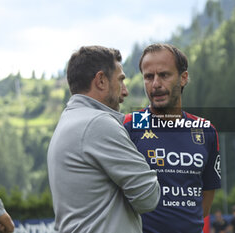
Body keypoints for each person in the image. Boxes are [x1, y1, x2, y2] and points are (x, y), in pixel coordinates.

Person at [47, 45, 161, 233]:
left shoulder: (69, 120)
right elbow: (148, 197)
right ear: (101, 80)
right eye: (120, 80)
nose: (125, 91)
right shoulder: (98, 124)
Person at [124, 43, 221, 233]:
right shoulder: (129, 126)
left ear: (183, 78)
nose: (156, 84)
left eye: (164, 75)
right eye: (148, 77)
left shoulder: (205, 130)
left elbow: (207, 197)